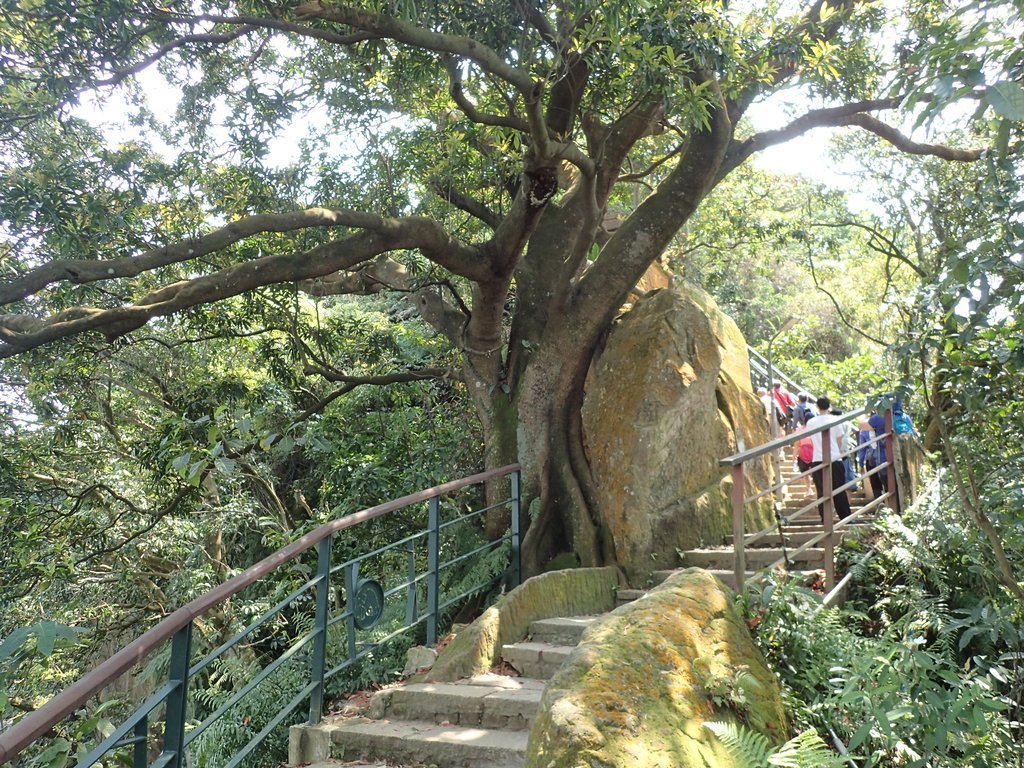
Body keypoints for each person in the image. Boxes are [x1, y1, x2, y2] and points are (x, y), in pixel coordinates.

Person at [805, 396, 852, 520]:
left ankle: (825, 519)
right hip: (835, 458)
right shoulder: (835, 420)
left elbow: (810, 438)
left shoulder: (811, 422)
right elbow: (839, 440)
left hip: (817, 459)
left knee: (821, 491)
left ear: (817, 406)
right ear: (829, 406)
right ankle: (845, 517)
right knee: (839, 489)